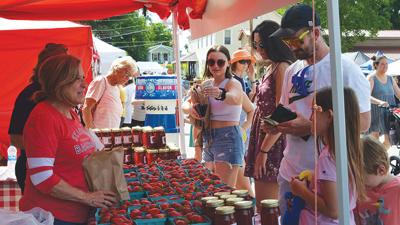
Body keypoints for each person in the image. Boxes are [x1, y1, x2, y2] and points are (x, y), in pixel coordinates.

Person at [270, 3, 371, 214]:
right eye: (287, 41)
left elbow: (363, 122)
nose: (291, 46)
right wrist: (276, 125)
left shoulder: (345, 69)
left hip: (326, 179)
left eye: (296, 40)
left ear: (315, 33)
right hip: (291, 172)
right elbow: (286, 107)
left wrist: (311, 127)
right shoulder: (292, 70)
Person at [20, 54, 117, 225]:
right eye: (76, 79)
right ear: (59, 83)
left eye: (83, 78)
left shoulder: (71, 113)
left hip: (75, 214)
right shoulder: (44, 117)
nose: (84, 85)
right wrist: (87, 198)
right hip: (53, 217)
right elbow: (42, 177)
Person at [291, 87, 366, 224]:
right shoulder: (345, 150)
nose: (310, 117)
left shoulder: (327, 157)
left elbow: (333, 211)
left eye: (314, 111)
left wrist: (301, 191)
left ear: (329, 115)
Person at [244, 20, 296, 206]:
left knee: (267, 208)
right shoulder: (271, 66)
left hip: (272, 141)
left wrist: (264, 150)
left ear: (274, 42)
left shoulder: (282, 67)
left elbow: (282, 112)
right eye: (256, 45)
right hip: (264, 136)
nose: (259, 49)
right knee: (264, 207)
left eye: (262, 44)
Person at [185, 45, 249, 187]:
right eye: (211, 62)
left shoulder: (233, 83)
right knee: (213, 189)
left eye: (220, 62)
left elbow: (236, 98)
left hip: (228, 137)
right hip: (209, 137)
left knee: (224, 190)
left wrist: (220, 94)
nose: (215, 66)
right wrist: (191, 109)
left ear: (228, 63)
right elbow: (186, 104)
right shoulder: (207, 84)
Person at [8, 43, 68, 193]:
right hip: (33, 171)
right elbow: (15, 138)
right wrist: (50, 151)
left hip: (58, 171)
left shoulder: (62, 94)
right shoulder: (29, 95)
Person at [82, 56, 139, 129]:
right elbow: (86, 108)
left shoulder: (117, 88)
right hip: (99, 136)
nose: (127, 79)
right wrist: (93, 132)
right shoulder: (101, 81)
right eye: (127, 74)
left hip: (109, 136)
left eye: (130, 77)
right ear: (117, 69)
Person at [356, 136, 400, 225]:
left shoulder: (397, 190)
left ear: (381, 170)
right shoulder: (361, 189)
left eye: (362, 177)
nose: (359, 181)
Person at [230, 49, 256, 196]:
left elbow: (251, 101)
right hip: (237, 129)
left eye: (248, 61)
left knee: (241, 168)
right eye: (242, 61)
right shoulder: (234, 80)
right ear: (233, 64)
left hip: (242, 127)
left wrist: (252, 77)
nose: (246, 64)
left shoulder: (242, 81)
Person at [367, 55, 400, 149]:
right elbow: (366, 96)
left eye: (386, 64)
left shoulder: (390, 78)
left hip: (388, 113)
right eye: (382, 64)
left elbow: (398, 93)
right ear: (376, 65)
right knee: (375, 140)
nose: (385, 66)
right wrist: (379, 102)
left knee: (389, 140)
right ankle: (375, 160)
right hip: (375, 112)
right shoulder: (371, 78)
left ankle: (379, 158)